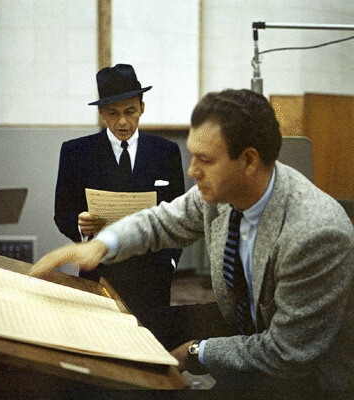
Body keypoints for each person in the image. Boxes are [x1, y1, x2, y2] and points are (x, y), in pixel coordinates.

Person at [31, 89, 354, 392]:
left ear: (249, 160)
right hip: (247, 323)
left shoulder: (316, 233)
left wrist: (196, 351)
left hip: (307, 379)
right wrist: (101, 244)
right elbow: (161, 221)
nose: (191, 170)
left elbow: (286, 353)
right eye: (192, 156)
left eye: (205, 160)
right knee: (132, 328)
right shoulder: (222, 191)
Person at [53, 64, 185, 318]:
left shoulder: (165, 152)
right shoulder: (75, 152)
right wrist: (80, 225)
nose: (122, 121)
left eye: (130, 111)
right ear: (101, 113)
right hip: (100, 270)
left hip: (152, 274)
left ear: (142, 109)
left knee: (151, 340)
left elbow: (178, 213)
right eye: (113, 113)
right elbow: (62, 212)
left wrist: (169, 262)